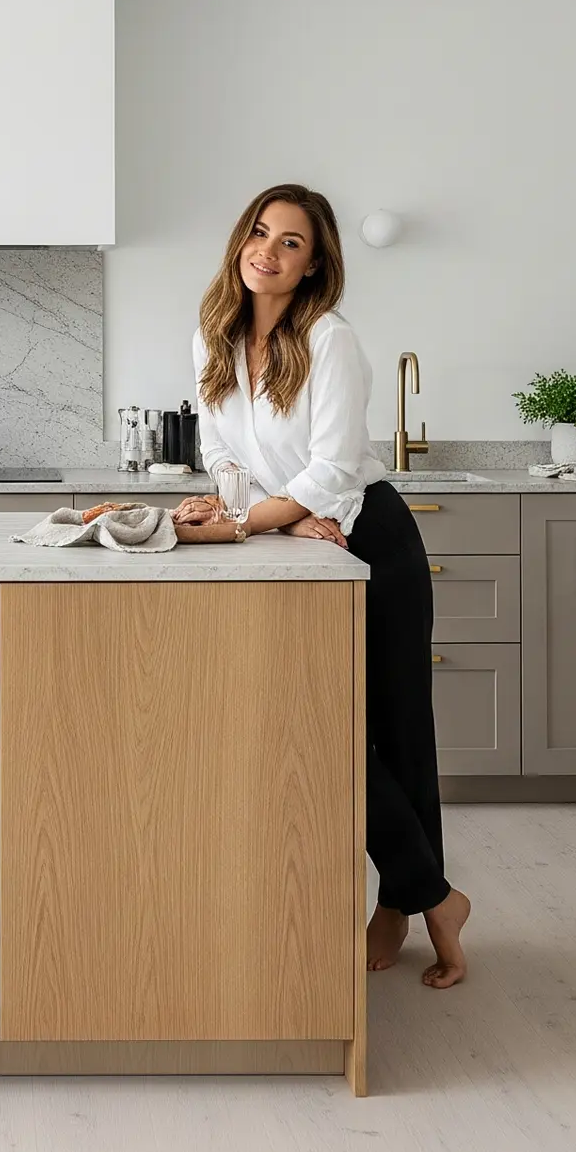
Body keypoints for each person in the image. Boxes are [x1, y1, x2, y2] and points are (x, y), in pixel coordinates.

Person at [170, 182, 472, 987]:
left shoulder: (331, 341)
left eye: (291, 242)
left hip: (370, 535)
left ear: (313, 264)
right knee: (327, 722)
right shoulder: (212, 338)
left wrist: (256, 519)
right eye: (260, 233)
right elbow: (227, 454)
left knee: (399, 728)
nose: (267, 251)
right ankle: (435, 896)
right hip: (306, 530)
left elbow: (337, 471)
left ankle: (403, 905)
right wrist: (263, 509)